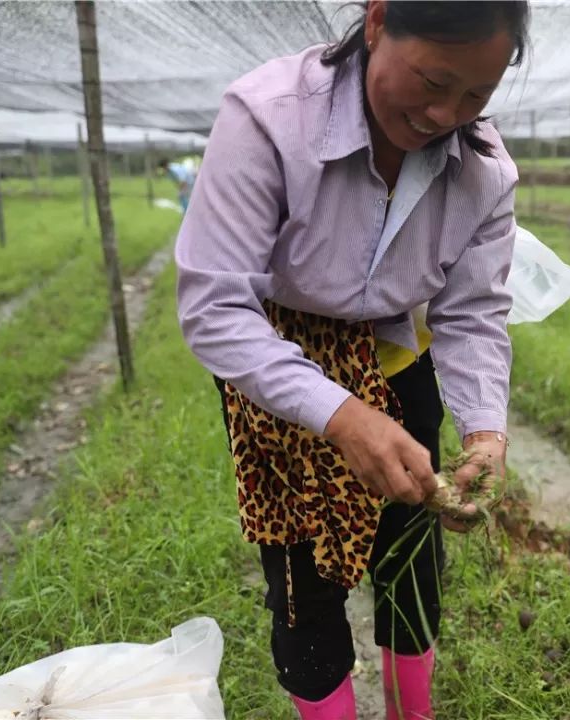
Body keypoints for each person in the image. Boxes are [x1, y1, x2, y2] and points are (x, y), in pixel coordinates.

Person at [174, 1, 530, 718]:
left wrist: (486, 431)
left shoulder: (483, 173)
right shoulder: (269, 119)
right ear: (376, 23)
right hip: (280, 375)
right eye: (433, 80)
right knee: (306, 588)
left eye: (475, 96)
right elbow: (215, 308)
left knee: (411, 562)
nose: (444, 113)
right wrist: (339, 415)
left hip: (399, 363)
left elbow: (471, 311)